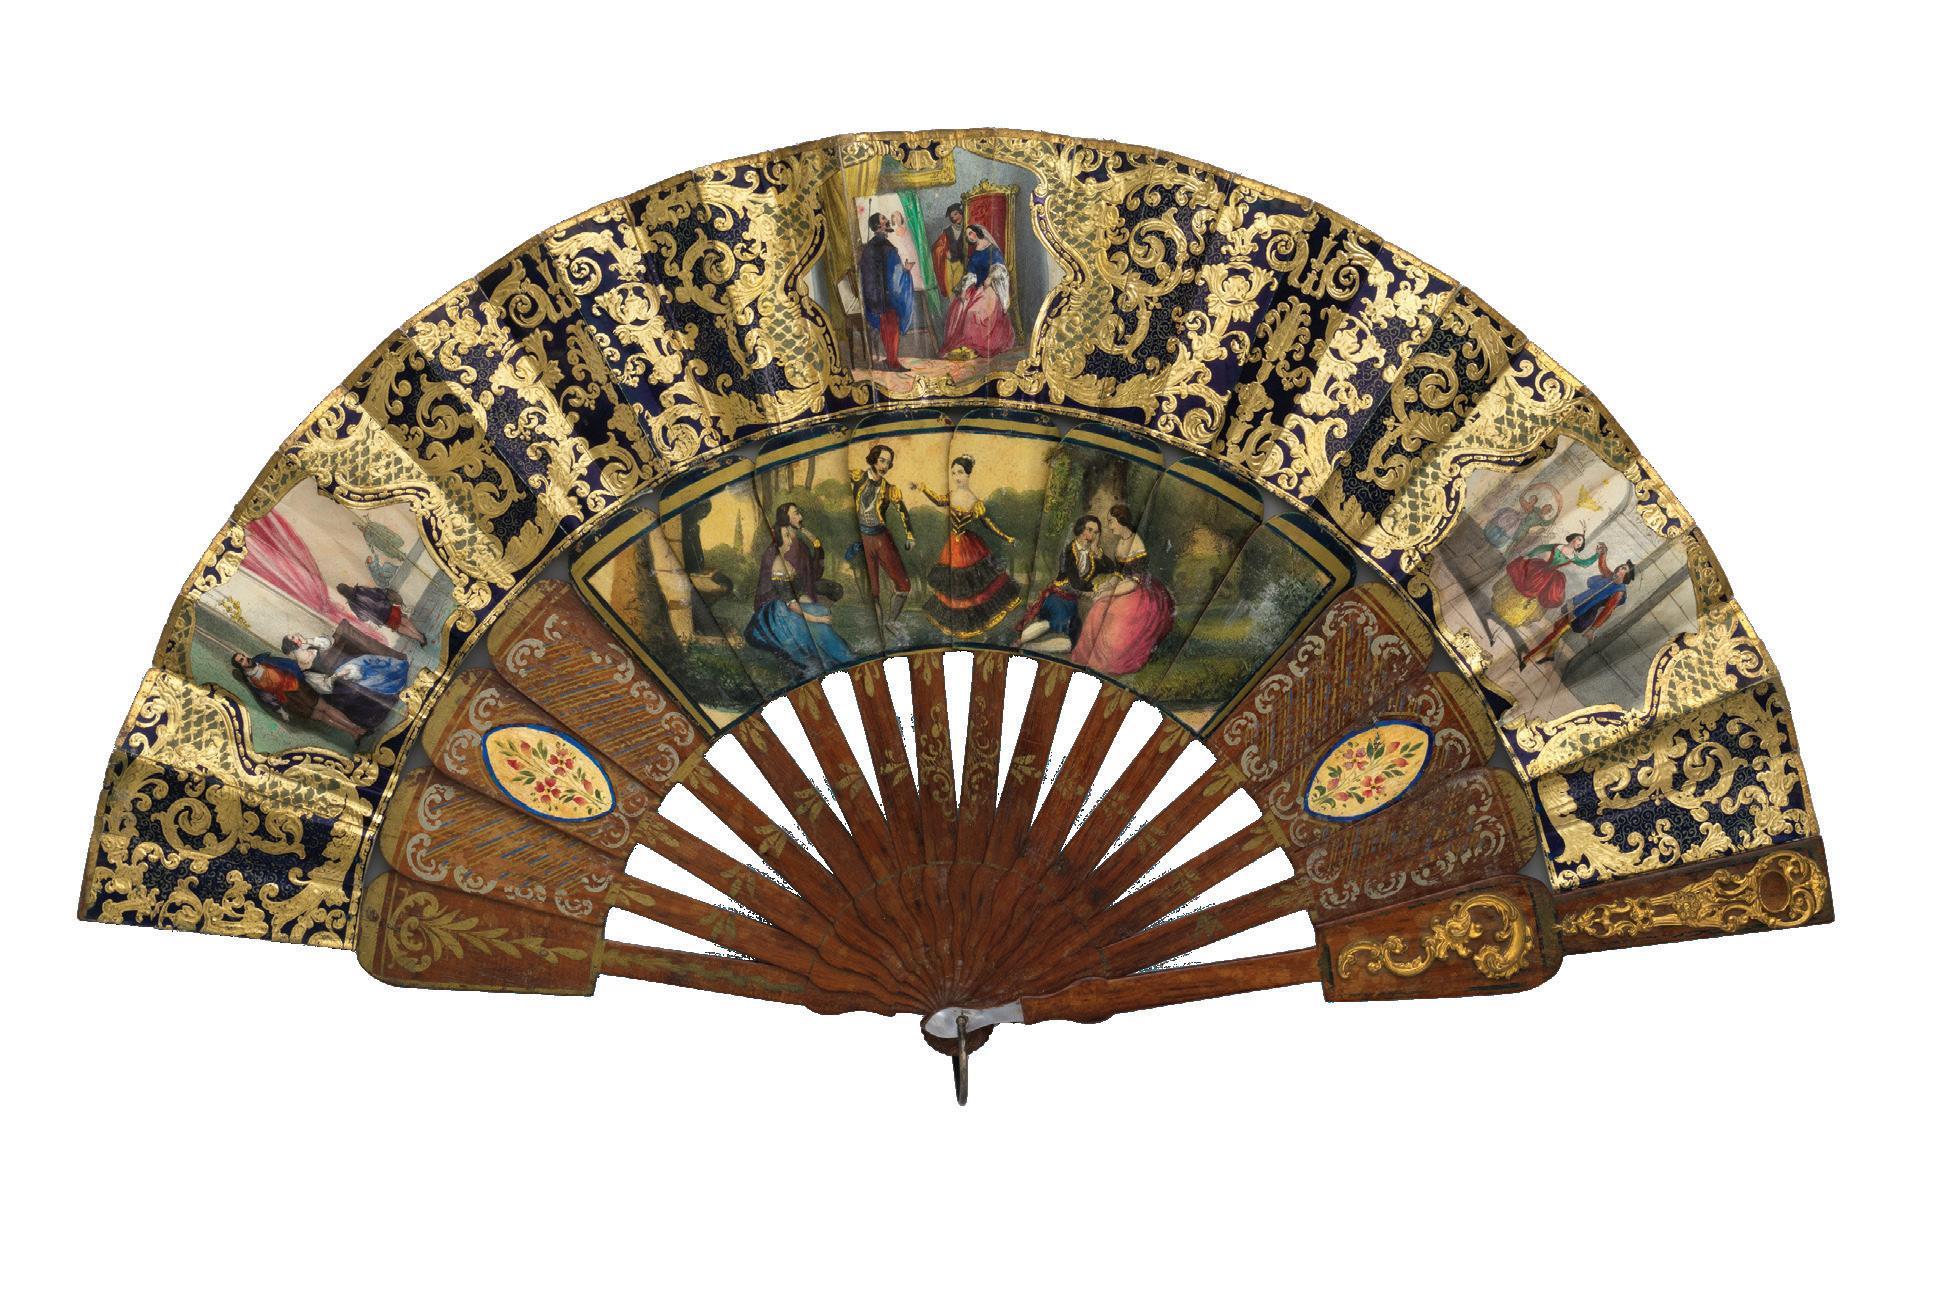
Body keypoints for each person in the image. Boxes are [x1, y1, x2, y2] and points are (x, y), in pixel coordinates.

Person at [909, 455, 1021, 636]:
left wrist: (1006, 537)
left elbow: (988, 524)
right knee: (953, 587)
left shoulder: (974, 501)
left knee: (972, 587)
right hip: (952, 546)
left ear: (969, 474)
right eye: (953, 473)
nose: (956, 477)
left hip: (969, 548)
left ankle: (973, 624)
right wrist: (923, 488)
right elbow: (939, 500)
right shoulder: (952, 495)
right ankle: (957, 626)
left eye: (960, 472)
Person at [744, 502, 854, 676]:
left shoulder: (799, 547)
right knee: (814, 620)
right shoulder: (775, 558)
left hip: (793, 598)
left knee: (822, 606)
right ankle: (837, 657)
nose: (800, 517)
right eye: (795, 513)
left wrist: (818, 547)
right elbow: (784, 596)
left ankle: (840, 655)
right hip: (777, 607)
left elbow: (810, 577)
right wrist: (815, 616)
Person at [1071, 504, 1176, 675]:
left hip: (1141, 592)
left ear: (1121, 521)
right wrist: (1106, 586)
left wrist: (1107, 592)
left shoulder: (1136, 544)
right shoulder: (1122, 541)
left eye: (1111, 522)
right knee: (1099, 607)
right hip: (1125, 585)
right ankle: (1091, 658)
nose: (1109, 526)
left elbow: (1133, 582)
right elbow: (1119, 574)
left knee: (1117, 612)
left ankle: (1112, 660)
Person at [1521, 558, 1637, 666]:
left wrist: (1593, 629)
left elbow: (1607, 611)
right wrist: (1602, 560)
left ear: (1626, 575)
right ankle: (1550, 654)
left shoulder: (1619, 591)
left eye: (1624, 568)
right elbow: (1593, 578)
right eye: (1621, 566)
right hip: (1575, 603)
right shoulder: (1609, 578)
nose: (1620, 568)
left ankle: (1528, 657)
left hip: (1582, 613)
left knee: (1555, 633)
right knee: (1557, 628)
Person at [848, 443, 915, 629]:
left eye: (888, 463)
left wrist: (910, 535)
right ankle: (880, 634)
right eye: (882, 461)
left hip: (882, 538)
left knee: (904, 585)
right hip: (863, 539)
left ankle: (891, 621)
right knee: (873, 592)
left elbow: (903, 512)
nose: (885, 466)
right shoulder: (858, 476)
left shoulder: (890, 489)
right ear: (873, 459)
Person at [230, 651, 366, 740]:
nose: (245, 659)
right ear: (240, 666)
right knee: (320, 717)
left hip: (295, 687)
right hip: (288, 700)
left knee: (326, 708)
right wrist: (281, 710)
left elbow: (287, 664)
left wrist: (299, 675)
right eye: (241, 660)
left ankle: (356, 728)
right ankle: (352, 733)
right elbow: (266, 697)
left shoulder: (262, 660)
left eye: (243, 657)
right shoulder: (251, 680)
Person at [1015, 515, 1101, 652]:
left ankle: (1029, 647)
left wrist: (1096, 548)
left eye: (1096, 532)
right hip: (1058, 597)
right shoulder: (1069, 551)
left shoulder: (1090, 553)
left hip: (1071, 602)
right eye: (1089, 530)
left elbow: (1108, 566)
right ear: (1080, 529)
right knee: (1053, 624)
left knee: (1071, 641)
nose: (1092, 535)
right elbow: (1075, 582)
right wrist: (1092, 590)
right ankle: (1020, 642)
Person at [1491, 533, 1603, 628]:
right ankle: (1501, 609)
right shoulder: (1557, 546)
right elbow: (1541, 548)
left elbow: (1585, 563)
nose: (1578, 542)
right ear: (1573, 538)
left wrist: (1596, 555)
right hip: (1539, 569)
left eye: (1580, 542)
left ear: (1579, 546)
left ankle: (1514, 617)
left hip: (1549, 577)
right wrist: (1529, 555)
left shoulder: (1573, 557)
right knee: (1521, 585)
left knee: (1537, 596)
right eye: (1578, 538)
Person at [942, 223, 1015, 357]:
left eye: (971, 233)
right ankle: (965, 345)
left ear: (978, 232)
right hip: (976, 288)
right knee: (958, 308)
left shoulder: (992, 250)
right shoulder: (975, 252)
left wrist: (990, 278)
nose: (969, 237)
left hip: (990, 288)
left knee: (973, 312)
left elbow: (1000, 268)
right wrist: (964, 290)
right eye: (967, 235)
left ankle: (976, 345)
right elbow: (971, 273)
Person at [857, 211, 916, 371]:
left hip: (877, 295)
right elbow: (893, 272)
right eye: (884, 219)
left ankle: (891, 360)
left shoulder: (872, 246)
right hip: (885, 295)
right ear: (878, 225)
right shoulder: (883, 246)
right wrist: (905, 270)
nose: (887, 220)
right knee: (891, 326)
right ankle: (892, 362)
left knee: (888, 326)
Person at [336, 580, 427, 646]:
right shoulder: (361, 589)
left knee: (399, 627)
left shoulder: (352, 605)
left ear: (343, 594)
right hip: (387, 608)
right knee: (404, 620)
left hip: (381, 619)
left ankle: (419, 638)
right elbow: (378, 593)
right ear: (348, 586)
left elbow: (363, 618)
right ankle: (419, 635)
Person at [931, 202, 968, 305]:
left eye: (956, 214)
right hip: (949, 264)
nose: (955, 218)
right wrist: (944, 252)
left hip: (961, 264)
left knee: (958, 289)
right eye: (952, 217)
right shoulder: (947, 231)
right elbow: (936, 247)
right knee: (950, 291)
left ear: (961, 213)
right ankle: (954, 311)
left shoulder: (967, 229)